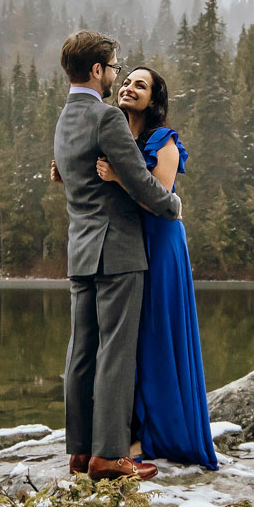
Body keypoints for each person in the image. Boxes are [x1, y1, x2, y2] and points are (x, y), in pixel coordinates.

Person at [52, 30, 182, 481]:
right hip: (118, 252)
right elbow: (143, 184)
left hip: (80, 251)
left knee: (81, 352)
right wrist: (173, 206)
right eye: (112, 68)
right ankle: (108, 456)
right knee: (115, 354)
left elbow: (70, 178)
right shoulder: (107, 119)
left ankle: (79, 450)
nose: (114, 76)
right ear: (96, 71)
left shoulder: (64, 120)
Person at [94, 66, 217, 469]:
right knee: (132, 339)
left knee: (159, 335)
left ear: (153, 99)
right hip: (125, 244)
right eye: (126, 81)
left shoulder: (163, 140)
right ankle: (133, 434)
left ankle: (166, 435)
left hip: (160, 243)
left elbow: (158, 198)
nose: (129, 88)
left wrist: (116, 177)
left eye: (140, 85)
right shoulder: (113, 135)